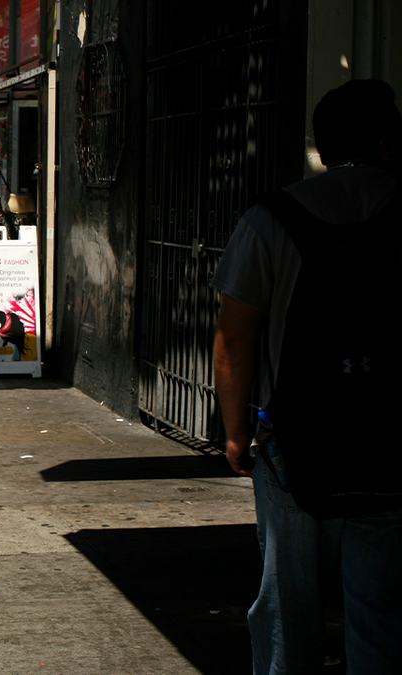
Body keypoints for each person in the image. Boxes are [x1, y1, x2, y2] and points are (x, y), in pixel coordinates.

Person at [212, 79, 402, 675]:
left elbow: (235, 335)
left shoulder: (272, 218)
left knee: (287, 607)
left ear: (319, 148)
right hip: (394, 443)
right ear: (388, 141)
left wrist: (237, 432)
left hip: (293, 447)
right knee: (383, 611)